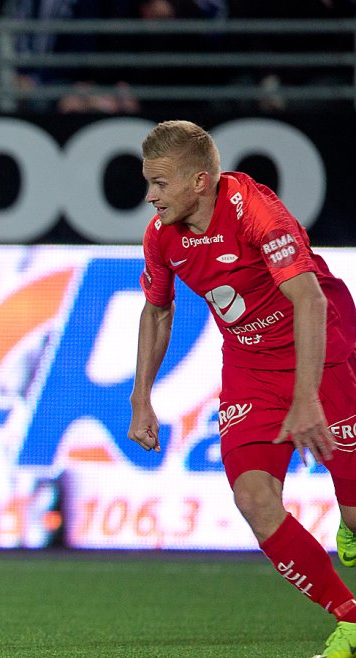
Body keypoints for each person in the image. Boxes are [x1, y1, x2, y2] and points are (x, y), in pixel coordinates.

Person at [128, 120, 356, 658]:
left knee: (354, 515)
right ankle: (349, 618)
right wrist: (142, 398)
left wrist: (306, 399)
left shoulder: (256, 213)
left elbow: (311, 302)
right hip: (251, 367)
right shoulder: (162, 235)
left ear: (201, 181)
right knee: (253, 497)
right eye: (149, 182)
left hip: (323, 354)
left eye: (160, 184)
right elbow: (157, 311)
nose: (150, 195)